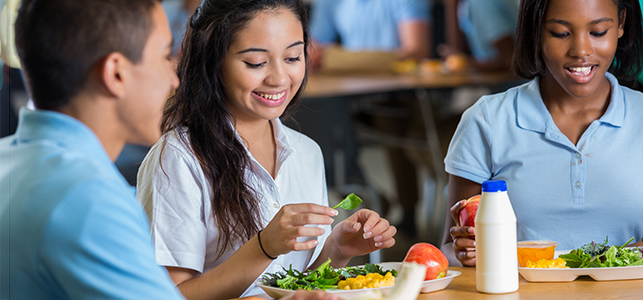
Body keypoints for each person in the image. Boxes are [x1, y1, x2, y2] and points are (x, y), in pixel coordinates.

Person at [0, 1, 341, 300]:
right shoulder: (88, 201)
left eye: (294, 57)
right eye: (164, 56)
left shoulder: (11, 160)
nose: (175, 78)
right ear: (116, 73)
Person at [136, 0, 397, 299]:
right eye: (256, 63)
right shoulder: (179, 157)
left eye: (293, 57)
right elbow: (168, 295)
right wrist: (264, 246)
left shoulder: (307, 153)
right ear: (213, 61)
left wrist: (336, 250)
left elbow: (293, 288)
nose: (279, 79)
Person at [443, 0, 643, 266]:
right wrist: (465, 251)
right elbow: (448, 250)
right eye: (561, 33)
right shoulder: (487, 121)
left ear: (620, 24)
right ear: (535, 30)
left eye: (598, 33)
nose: (581, 51)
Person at [307, 0, 432, 238]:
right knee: (320, 120)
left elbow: (416, 50)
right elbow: (313, 49)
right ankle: (367, 196)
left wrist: (342, 58)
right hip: (346, 92)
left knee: (394, 122)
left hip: (395, 93)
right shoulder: (330, 3)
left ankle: (405, 209)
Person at [440, 0, 519, 71]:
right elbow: (456, 51)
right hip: (498, 81)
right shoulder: (467, 5)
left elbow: (510, 61)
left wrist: (465, 64)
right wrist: (451, 6)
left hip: (512, 82)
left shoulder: (482, 2)